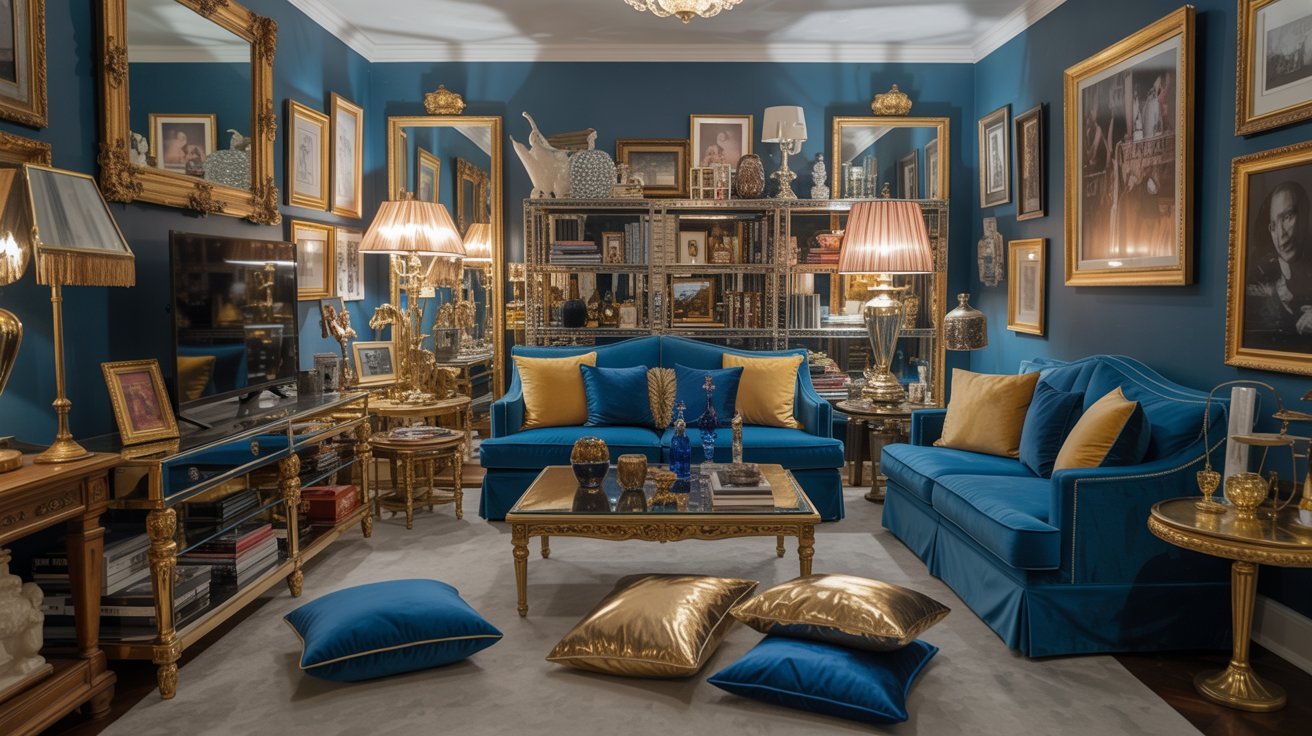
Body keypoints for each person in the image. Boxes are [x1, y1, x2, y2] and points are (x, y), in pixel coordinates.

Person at [1246, 180, 1312, 349]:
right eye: (1274, 225)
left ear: (1305, 215)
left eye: (1287, 217)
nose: (1280, 234)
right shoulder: (1260, 274)